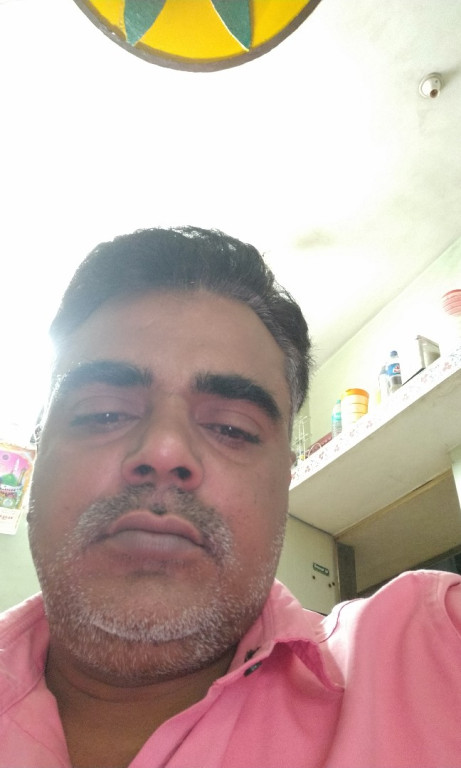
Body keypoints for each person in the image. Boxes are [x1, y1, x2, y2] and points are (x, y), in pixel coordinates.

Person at [0, 226, 460, 768]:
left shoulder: (437, 646)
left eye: (233, 429)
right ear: (37, 451)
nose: (166, 450)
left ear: (285, 477)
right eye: (104, 413)